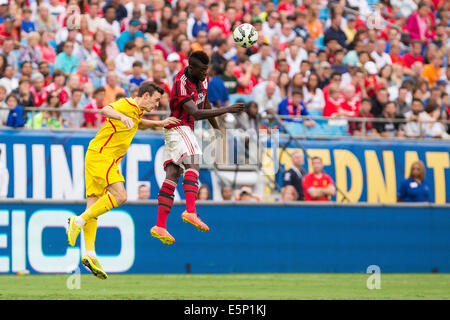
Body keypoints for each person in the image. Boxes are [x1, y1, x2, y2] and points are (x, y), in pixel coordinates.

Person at [66, 82, 180, 279]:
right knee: (120, 196)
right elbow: (105, 109)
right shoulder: (127, 104)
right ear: (145, 96)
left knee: (94, 204)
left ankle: (90, 254)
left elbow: (139, 123)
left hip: (95, 155)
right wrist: (121, 116)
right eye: (155, 100)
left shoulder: (137, 112)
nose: (156, 105)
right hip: (103, 156)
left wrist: (160, 124)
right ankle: (77, 220)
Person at [150, 51, 245, 245]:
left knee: (173, 174)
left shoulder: (203, 79)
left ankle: (160, 225)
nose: (205, 73)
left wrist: (217, 128)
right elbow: (195, 112)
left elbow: (206, 102)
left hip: (180, 131)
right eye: (202, 70)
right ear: (191, 68)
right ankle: (191, 211)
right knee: (194, 161)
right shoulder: (181, 83)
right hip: (179, 126)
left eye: (207, 69)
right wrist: (227, 109)